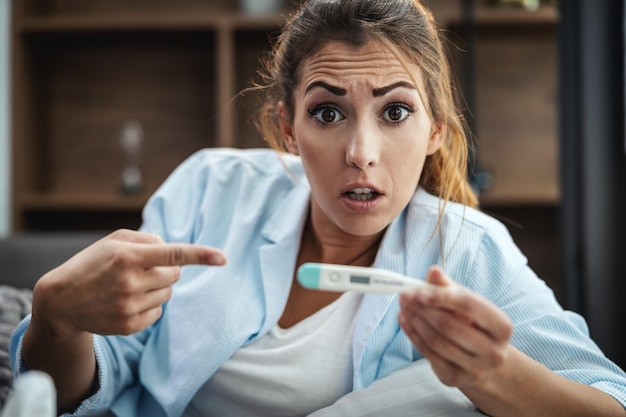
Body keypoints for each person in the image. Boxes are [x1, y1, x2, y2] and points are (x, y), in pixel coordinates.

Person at [9, 0, 626, 416]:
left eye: (396, 112)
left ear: (435, 129)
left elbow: (608, 401)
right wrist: (56, 323)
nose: (362, 153)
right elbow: (92, 385)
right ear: (288, 129)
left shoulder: (464, 247)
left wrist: (491, 374)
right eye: (328, 113)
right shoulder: (210, 188)